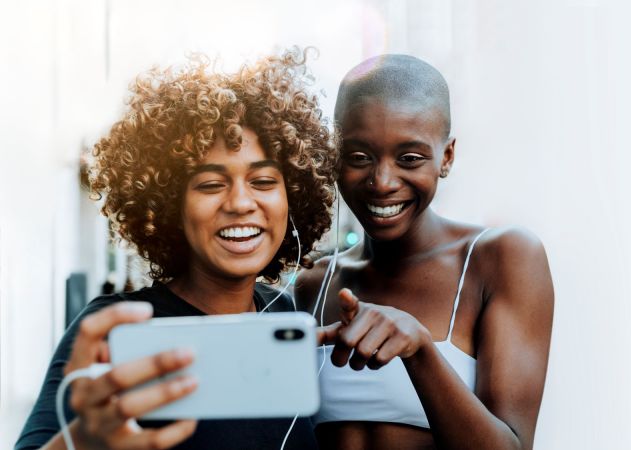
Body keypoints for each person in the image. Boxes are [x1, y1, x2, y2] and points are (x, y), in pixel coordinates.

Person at [16, 50, 337, 450]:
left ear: (293, 197)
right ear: (171, 208)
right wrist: (81, 442)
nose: (240, 202)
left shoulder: (289, 318)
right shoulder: (116, 328)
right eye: (210, 185)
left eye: (263, 181)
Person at [295, 55, 554, 450]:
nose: (382, 182)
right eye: (359, 157)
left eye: (409, 158)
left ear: (446, 157)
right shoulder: (314, 283)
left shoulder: (501, 259)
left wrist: (419, 350)